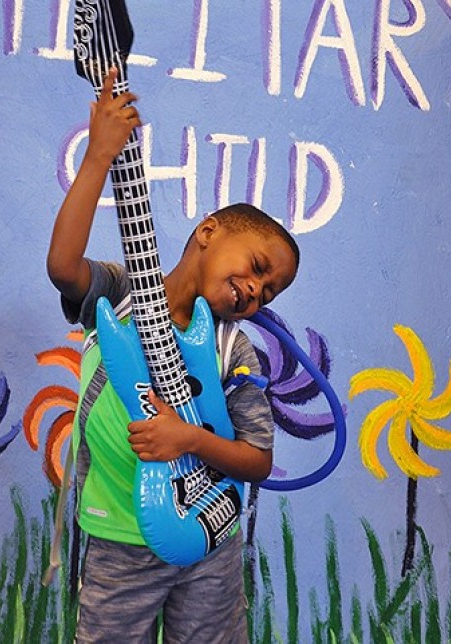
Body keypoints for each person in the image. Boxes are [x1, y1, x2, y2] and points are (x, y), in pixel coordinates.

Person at [47, 68, 300, 644]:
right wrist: (97, 159)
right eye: (258, 268)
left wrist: (189, 441)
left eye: (270, 292)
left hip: (211, 537)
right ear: (209, 231)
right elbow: (63, 267)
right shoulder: (122, 295)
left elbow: (257, 460)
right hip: (121, 541)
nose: (257, 291)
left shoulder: (234, 350)